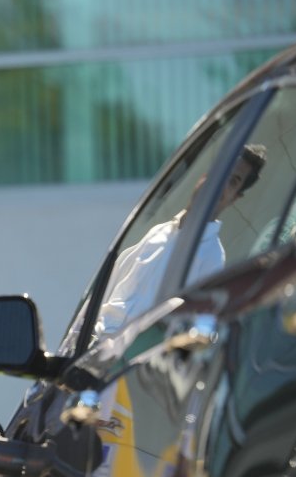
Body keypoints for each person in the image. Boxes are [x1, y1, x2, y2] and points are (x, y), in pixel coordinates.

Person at [95, 144, 267, 336]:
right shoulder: (158, 232)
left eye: (233, 182)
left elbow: (196, 333)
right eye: (222, 170)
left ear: (235, 198)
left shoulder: (212, 259)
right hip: (95, 349)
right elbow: (105, 294)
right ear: (206, 173)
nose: (221, 184)